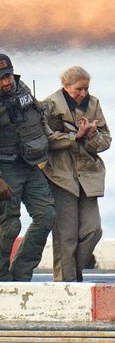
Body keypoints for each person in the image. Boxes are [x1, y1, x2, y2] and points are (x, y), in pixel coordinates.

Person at [42, 66, 111, 282]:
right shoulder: (49, 105)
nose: (83, 93)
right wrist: (75, 136)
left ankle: (74, 271)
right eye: (79, 89)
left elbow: (106, 140)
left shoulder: (94, 104)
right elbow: (46, 140)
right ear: (66, 86)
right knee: (66, 235)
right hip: (60, 175)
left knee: (93, 230)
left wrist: (91, 135)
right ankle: (66, 282)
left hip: (88, 175)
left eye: (86, 88)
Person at [0, 53, 55, 281]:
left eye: (8, 76)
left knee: (47, 215)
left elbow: (39, 119)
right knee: (9, 224)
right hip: (5, 167)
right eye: (1, 79)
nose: (6, 82)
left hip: (30, 164)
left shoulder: (22, 89)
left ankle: (22, 273)